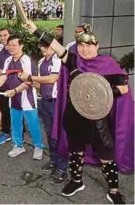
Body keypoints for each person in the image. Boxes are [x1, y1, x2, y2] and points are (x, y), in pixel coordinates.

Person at [25, 20, 133, 204]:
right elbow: (57, 47)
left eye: (89, 45)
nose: (85, 49)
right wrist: (36, 30)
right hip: (74, 116)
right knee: (76, 151)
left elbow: (123, 90)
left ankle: (114, 191)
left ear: (97, 46)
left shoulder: (107, 64)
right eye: (81, 45)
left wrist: (100, 93)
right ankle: (76, 181)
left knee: (106, 156)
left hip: (98, 118)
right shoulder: (74, 60)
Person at [0, 35, 45, 159]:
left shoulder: (26, 60)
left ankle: (38, 146)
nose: (12, 47)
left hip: (27, 97)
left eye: (15, 45)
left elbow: (29, 81)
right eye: (10, 45)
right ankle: (18, 145)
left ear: (21, 46)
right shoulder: (8, 60)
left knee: (32, 123)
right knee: (15, 122)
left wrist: (15, 90)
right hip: (13, 98)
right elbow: (3, 76)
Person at [19, 44, 68, 184]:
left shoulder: (58, 59)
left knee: (59, 134)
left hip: (57, 102)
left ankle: (62, 168)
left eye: (46, 46)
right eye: (41, 46)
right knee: (50, 133)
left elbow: (52, 79)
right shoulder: (41, 61)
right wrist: (28, 81)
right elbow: (40, 84)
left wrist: (30, 77)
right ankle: (54, 161)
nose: (43, 49)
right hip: (45, 101)